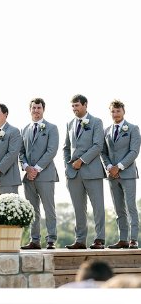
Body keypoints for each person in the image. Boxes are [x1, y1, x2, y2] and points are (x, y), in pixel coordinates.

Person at [64, 94, 106, 250]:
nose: (75, 109)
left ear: (85, 105)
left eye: (77, 105)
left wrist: (81, 160)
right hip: (73, 173)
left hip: (92, 171)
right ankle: (80, 240)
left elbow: (97, 146)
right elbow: (66, 148)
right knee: (78, 208)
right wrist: (67, 166)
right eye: (73, 106)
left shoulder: (96, 122)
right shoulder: (69, 123)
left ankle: (99, 239)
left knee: (98, 207)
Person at [20, 97, 60, 250]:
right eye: (33, 108)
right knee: (32, 209)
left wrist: (36, 168)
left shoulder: (51, 128)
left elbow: (52, 151)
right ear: (30, 110)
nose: (36, 110)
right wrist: (26, 167)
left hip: (45, 175)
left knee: (49, 208)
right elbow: (21, 152)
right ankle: (34, 240)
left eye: (39, 108)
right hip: (28, 176)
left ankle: (51, 239)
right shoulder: (24, 129)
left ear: (43, 109)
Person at [103, 99, 140, 249]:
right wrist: (110, 166)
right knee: (118, 209)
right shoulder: (106, 131)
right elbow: (103, 152)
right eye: (113, 111)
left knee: (131, 206)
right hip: (112, 175)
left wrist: (119, 166)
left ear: (123, 111)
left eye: (118, 111)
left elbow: (134, 151)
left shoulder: (133, 128)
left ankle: (133, 239)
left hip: (128, 173)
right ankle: (122, 238)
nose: (115, 114)